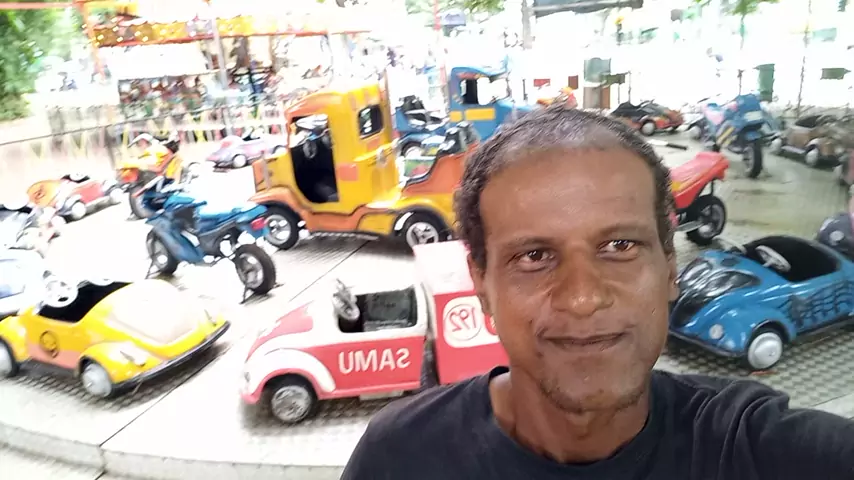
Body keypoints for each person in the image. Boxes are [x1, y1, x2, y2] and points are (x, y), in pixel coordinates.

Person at [341, 105, 854, 479]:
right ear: (483, 287)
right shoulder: (399, 458)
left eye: (620, 245)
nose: (583, 297)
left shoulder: (755, 450)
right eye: (534, 256)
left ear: (670, 267)